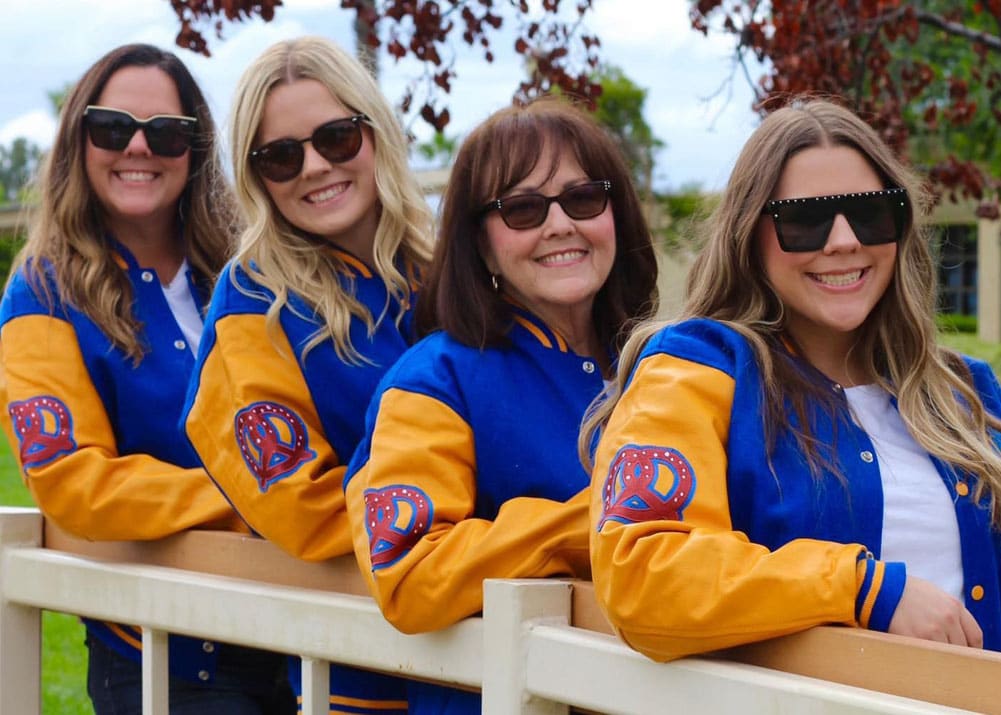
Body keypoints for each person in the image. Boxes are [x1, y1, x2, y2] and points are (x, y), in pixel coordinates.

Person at [585, 98, 1001, 664]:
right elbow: (645, 576)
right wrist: (863, 590)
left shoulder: (963, 391)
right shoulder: (695, 369)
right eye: (804, 221)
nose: (843, 240)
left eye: (871, 212)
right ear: (749, 235)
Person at [0, 44, 294, 714]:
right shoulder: (41, 291)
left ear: (195, 148)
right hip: (166, 655)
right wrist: (259, 502)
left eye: (166, 131)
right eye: (112, 127)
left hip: (304, 632)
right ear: (80, 140)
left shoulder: (247, 276)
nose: (139, 147)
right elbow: (71, 478)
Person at [343, 95, 659, 713]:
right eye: (522, 209)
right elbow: (408, 571)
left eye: (584, 199)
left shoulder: (662, 366)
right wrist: (608, 520)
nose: (560, 224)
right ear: (481, 245)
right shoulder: (433, 381)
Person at [180, 36, 433, 713]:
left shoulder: (453, 269)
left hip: (510, 652)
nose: (315, 167)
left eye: (337, 137)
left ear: (375, 132)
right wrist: (475, 547)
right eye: (282, 155)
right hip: (363, 672)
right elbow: (301, 510)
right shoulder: (253, 303)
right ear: (255, 175)